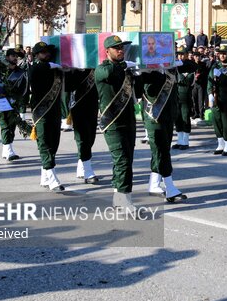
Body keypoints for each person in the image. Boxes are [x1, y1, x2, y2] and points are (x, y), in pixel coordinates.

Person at [140, 50, 194, 203]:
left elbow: (192, 66)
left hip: (168, 116)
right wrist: (147, 68)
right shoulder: (148, 72)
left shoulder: (170, 69)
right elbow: (146, 87)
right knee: (161, 151)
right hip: (154, 117)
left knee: (162, 150)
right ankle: (170, 188)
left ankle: (154, 184)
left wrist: (178, 62)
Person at [95, 36, 140, 210]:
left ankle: (117, 195)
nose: (121, 50)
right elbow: (108, 74)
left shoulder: (126, 70)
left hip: (128, 120)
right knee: (122, 161)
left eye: (122, 47)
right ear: (107, 51)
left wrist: (145, 71)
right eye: (116, 48)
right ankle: (124, 200)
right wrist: (124, 66)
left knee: (126, 160)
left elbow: (140, 90)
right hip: (112, 122)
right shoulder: (102, 68)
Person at [28, 42, 65, 192]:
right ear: (36, 55)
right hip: (41, 111)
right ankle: (52, 177)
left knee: (54, 142)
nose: (46, 54)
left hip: (55, 111)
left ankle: (45, 175)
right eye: (42, 52)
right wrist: (53, 66)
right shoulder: (36, 67)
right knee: (45, 143)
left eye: (47, 52)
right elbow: (37, 71)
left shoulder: (55, 69)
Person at [65, 66, 99, 184]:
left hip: (93, 104)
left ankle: (82, 163)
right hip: (78, 105)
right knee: (82, 137)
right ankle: (88, 171)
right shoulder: (72, 69)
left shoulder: (94, 68)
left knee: (91, 137)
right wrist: (71, 70)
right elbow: (68, 87)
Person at [208, 45, 227, 156]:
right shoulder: (215, 66)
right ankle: (220, 144)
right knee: (216, 121)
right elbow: (210, 80)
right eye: (220, 53)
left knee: (226, 122)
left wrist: (222, 75)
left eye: (224, 53)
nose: (222, 55)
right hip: (217, 97)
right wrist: (209, 94)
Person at [0, 48, 28, 161]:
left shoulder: (21, 72)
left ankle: (7, 149)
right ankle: (8, 149)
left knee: (12, 126)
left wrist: (16, 100)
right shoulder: (0, 70)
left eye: (17, 56)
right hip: (1, 102)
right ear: (7, 57)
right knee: (5, 124)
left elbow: (24, 89)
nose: (15, 58)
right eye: (13, 56)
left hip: (14, 102)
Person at [172, 46, 195, 150]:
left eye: (182, 54)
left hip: (185, 95)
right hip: (177, 96)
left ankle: (185, 141)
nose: (180, 56)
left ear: (186, 55)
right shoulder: (176, 66)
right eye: (179, 54)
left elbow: (188, 81)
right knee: (178, 118)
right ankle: (179, 140)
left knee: (185, 118)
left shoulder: (190, 66)